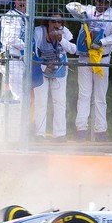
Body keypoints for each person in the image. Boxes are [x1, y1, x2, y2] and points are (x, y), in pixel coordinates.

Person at [66, 0, 112, 142]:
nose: (102, 4)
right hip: (85, 57)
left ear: (109, 2)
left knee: (100, 96)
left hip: (102, 58)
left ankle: (101, 131)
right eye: (100, 1)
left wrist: (102, 42)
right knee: (84, 94)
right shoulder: (89, 10)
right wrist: (83, 14)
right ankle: (81, 130)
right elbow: (69, 6)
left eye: (105, 2)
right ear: (96, 0)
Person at [32, 10, 77, 140]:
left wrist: (61, 39)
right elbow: (33, 51)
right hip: (41, 69)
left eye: (59, 21)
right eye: (53, 21)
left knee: (60, 101)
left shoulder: (65, 32)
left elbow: (74, 49)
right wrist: (43, 67)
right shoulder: (39, 31)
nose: (56, 24)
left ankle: (60, 134)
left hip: (60, 70)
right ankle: (40, 134)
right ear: (47, 22)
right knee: (41, 102)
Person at [0, 0, 28, 102]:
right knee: (18, 96)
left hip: (18, 60)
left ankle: (13, 118)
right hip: (12, 60)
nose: (22, 1)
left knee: (17, 95)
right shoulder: (12, 16)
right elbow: (11, 39)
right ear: (14, 2)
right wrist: (27, 47)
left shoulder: (21, 17)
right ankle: (17, 119)